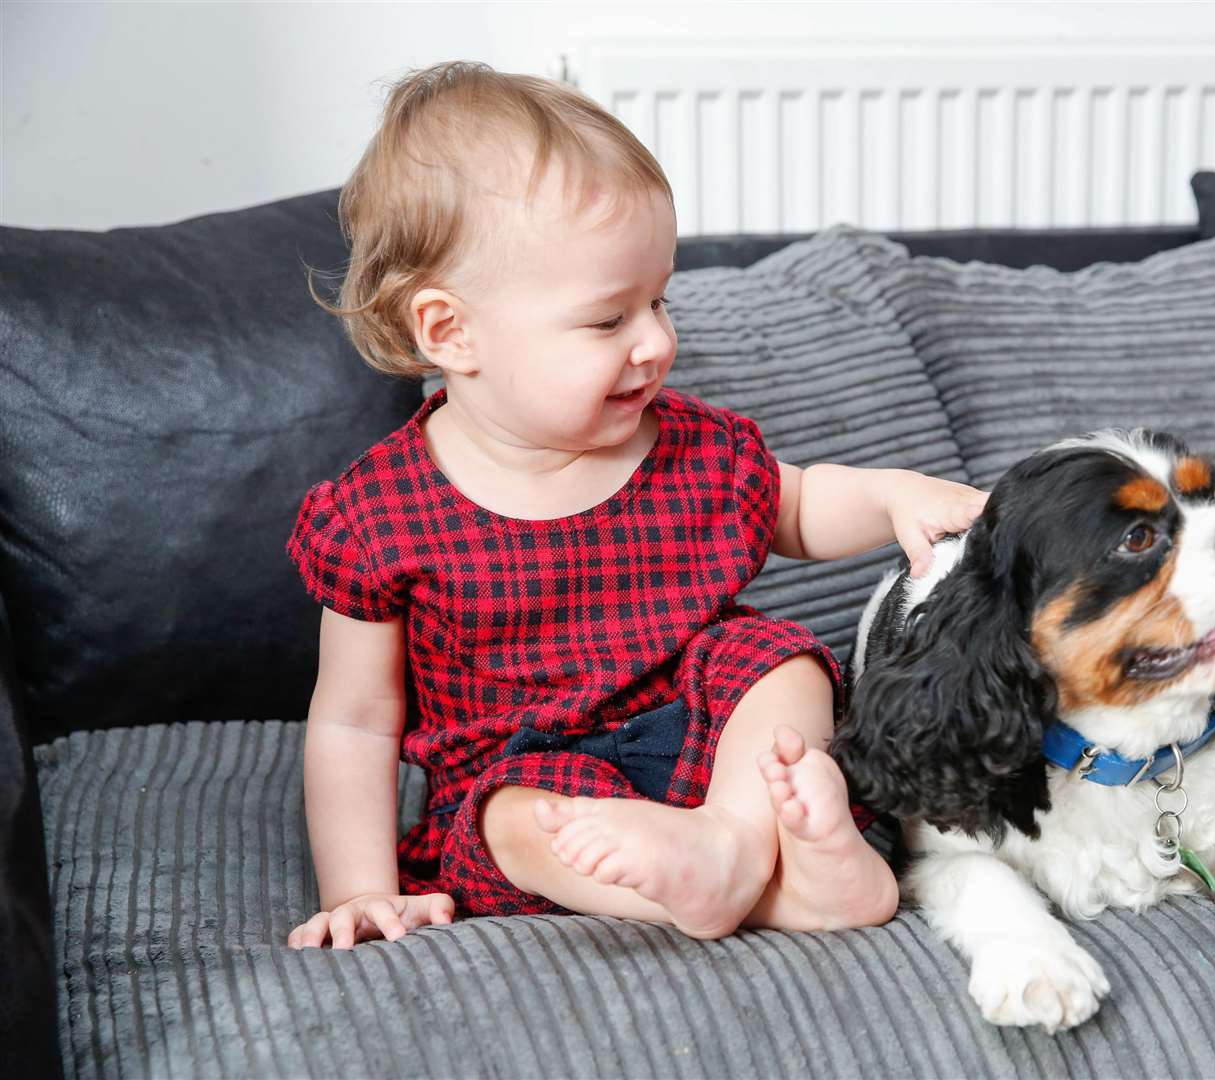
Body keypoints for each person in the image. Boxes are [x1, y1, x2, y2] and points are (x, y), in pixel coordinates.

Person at [284, 61, 987, 948]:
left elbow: (800, 506)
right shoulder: (376, 517)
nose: (657, 341)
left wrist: (893, 495)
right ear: (450, 332)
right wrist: (360, 889)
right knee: (505, 821)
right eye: (608, 320)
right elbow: (354, 720)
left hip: (708, 748)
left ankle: (732, 844)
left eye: (659, 299)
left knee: (777, 660)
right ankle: (792, 895)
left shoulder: (688, 446)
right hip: (539, 781)